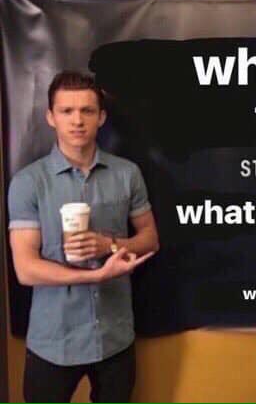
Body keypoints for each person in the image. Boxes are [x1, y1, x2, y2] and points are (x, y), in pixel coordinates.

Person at [7, 71, 159, 402]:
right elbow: (26, 269)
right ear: (51, 117)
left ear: (101, 117)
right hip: (53, 342)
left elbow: (150, 239)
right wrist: (96, 276)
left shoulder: (127, 174)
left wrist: (110, 245)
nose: (77, 121)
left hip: (115, 338)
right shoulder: (28, 182)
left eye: (87, 111)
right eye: (66, 111)